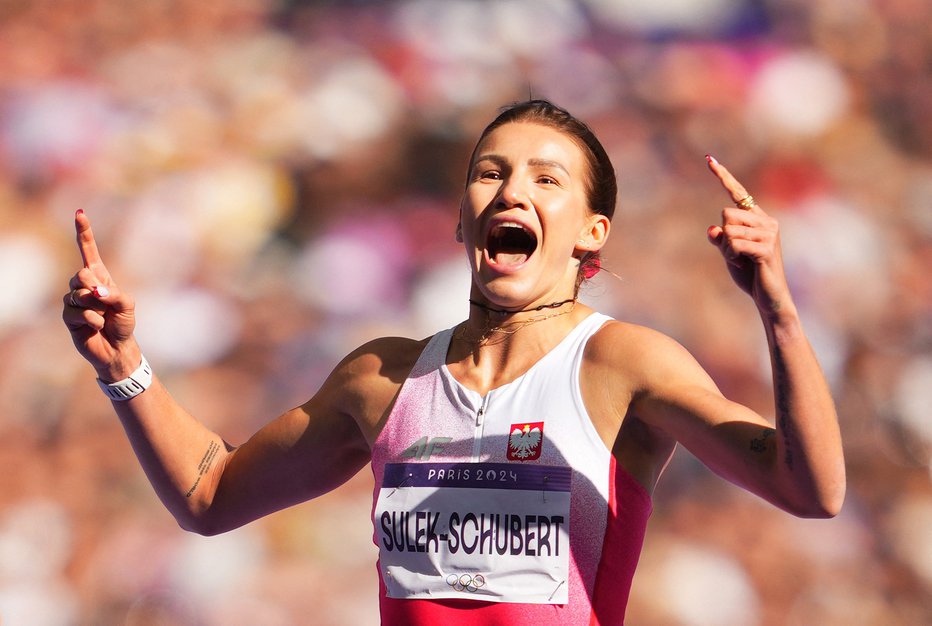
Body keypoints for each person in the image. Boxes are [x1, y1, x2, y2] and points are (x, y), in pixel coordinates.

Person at [63, 100, 845, 624]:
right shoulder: (382, 379)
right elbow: (210, 495)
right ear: (462, 220)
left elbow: (809, 490)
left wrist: (777, 311)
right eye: (490, 171)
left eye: (547, 179)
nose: (511, 190)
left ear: (591, 232)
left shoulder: (620, 364)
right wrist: (122, 364)